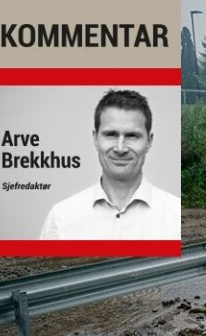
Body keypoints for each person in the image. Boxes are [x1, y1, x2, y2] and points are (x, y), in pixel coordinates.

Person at [39, 89, 179, 240]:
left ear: (149, 141)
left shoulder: (175, 216)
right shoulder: (61, 219)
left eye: (132, 136)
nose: (120, 148)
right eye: (111, 135)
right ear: (95, 139)